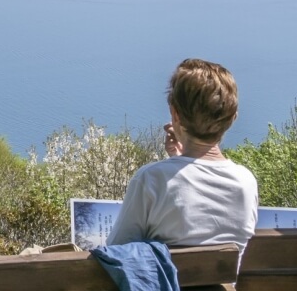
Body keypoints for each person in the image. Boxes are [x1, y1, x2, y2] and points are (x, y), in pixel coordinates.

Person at [108, 59, 259, 249]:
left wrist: (178, 166)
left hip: (170, 280)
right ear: (233, 117)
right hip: (228, 279)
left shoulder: (151, 179)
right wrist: (179, 161)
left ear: (175, 114)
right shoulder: (245, 181)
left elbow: (117, 247)